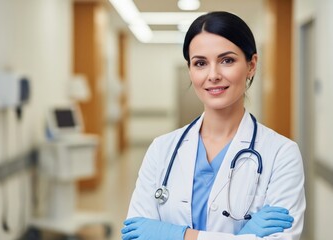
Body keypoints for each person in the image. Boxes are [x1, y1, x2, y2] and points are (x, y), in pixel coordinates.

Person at [121, 11, 305, 240]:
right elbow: (136, 234)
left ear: (251, 65)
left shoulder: (281, 153)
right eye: (200, 63)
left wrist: (180, 235)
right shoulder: (162, 149)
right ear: (190, 70)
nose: (213, 75)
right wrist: (243, 237)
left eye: (227, 60)